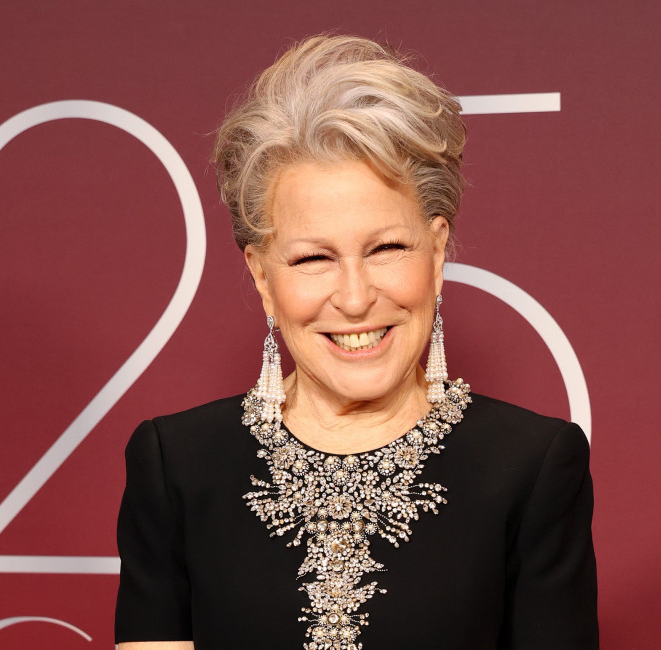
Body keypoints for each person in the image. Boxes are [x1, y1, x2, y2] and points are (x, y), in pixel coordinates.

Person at [115, 34, 598, 650]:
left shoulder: (533, 466)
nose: (354, 297)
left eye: (386, 248)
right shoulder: (176, 465)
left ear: (437, 253)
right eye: (313, 258)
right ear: (262, 277)